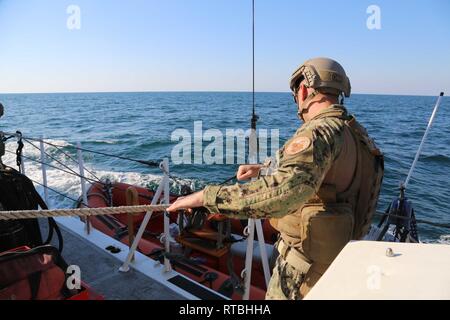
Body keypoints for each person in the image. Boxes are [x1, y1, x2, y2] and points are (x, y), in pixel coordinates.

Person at [167, 57, 384, 300]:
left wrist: (204, 197)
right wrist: (262, 169)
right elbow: (324, 176)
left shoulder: (319, 131)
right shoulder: (356, 135)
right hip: (338, 264)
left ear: (303, 90)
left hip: (305, 274)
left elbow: (282, 195)